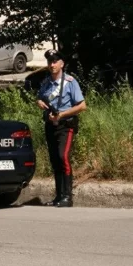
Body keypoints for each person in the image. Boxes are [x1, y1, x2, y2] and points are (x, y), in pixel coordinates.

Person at [36, 49, 87, 207]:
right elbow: (40, 98)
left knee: (63, 157)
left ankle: (67, 196)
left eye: (54, 61)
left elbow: (82, 106)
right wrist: (39, 103)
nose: (51, 65)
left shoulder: (71, 82)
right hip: (50, 125)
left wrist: (62, 115)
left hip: (66, 125)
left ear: (61, 64)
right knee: (54, 160)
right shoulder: (46, 83)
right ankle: (58, 196)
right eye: (49, 62)